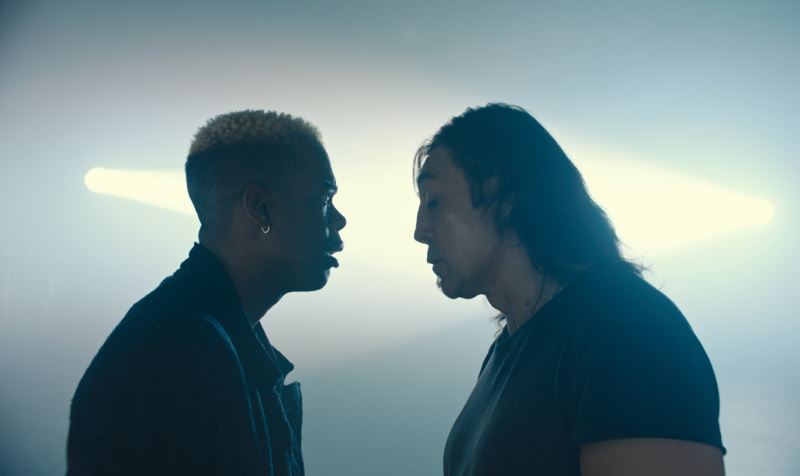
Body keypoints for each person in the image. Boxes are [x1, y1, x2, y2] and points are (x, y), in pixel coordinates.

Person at [413, 103, 725, 475]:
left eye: (434, 201)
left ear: (505, 195)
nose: (420, 230)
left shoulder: (629, 330)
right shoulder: (509, 351)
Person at [67, 110, 346, 475]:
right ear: (260, 207)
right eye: (323, 199)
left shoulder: (204, 341)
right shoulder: (174, 354)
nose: (339, 220)